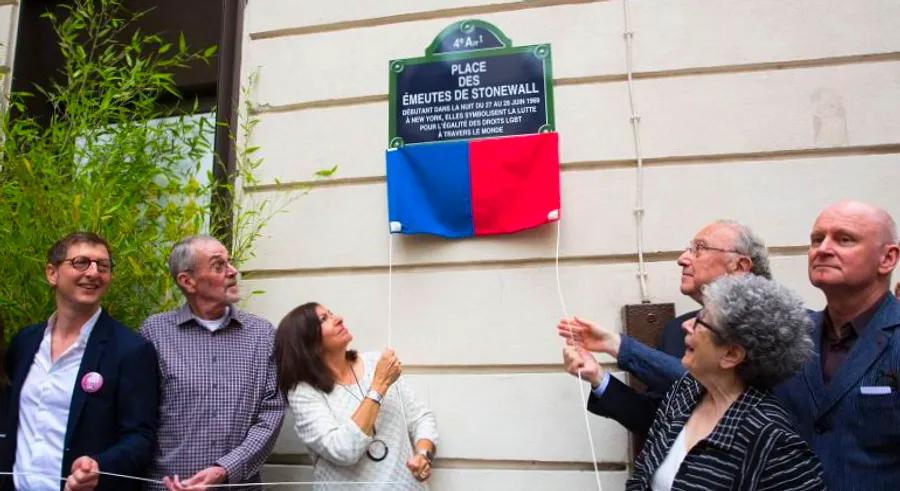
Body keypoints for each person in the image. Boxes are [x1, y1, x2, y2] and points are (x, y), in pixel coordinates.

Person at [567, 275, 825, 490]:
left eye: (701, 322)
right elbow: (641, 477)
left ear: (731, 355)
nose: (687, 326)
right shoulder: (686, 392)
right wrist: (596, 375)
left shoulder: (773, 441)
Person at [558, 220, 770, 435]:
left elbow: (721, 392)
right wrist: (598, 378)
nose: (682, 259)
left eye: (700, 249)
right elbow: (654, 419)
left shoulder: (787, 332)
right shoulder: (676, 330)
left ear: (740, 266)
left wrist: (618, 346)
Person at [0, 232, 159, 491]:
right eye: (81, 262)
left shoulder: (130, 350)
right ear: (52, 273)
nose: (94, 273)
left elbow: (140, 438)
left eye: (103, 266)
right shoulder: (24, 343)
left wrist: (100, 466)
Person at [140, 235, 285, 490]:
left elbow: (271, 413)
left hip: (239, 486)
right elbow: (138, 416)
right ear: (188, 281)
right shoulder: (155, 332)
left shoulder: (262, 335)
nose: (233, 271)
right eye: (219, 266)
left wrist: (226, 469)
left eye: (230, 262)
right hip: (170, 486)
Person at [774, 200, 900, 489]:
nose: (823, 249)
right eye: (817, 239)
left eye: (845, 239)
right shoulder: (790, 336)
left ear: (888, 259)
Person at [274, 303, 438, 490]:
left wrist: (423, 455)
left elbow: (420, 417)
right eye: (324, 319)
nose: (339, 318)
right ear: (307, 343)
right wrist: (379, 385)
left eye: (331, 313)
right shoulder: (304, 393)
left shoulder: (376, 363)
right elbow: (344, 451)